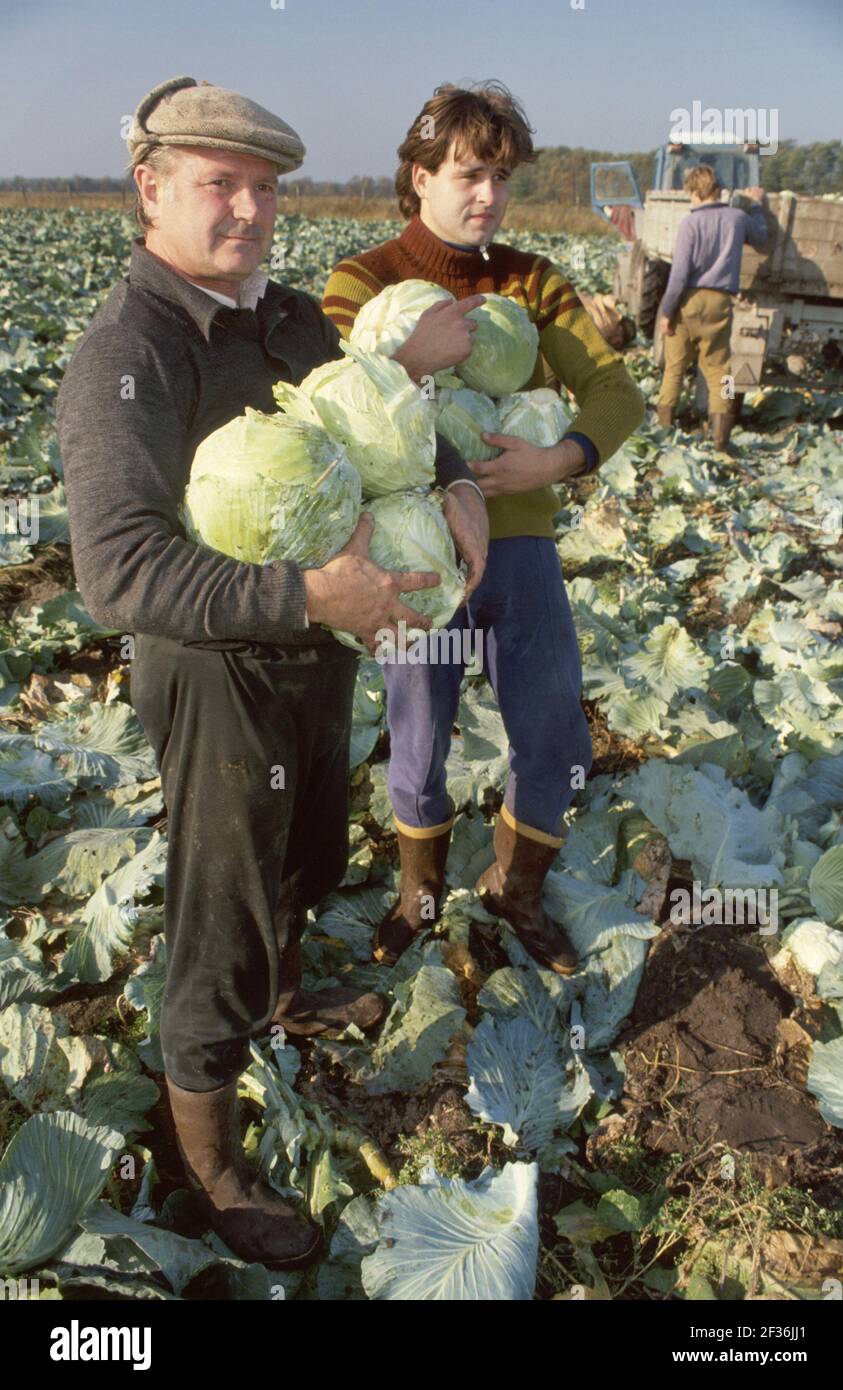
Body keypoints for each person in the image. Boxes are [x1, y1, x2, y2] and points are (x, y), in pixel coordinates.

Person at [55, 75, 486, 1270]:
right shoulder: (126, 355)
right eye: (217, 185)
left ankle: (283, 996)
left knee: (304, 854)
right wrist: (304, 594)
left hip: (313, 656)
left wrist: (450, 478)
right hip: (213, 675)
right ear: (151, 190)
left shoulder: (290, 318)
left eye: (263, 188)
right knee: (220, 907)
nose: (247, 209)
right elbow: (120, 573)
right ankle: (210, 1151)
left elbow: (380, 405)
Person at [322, 81, 645, 980]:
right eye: (469, 174)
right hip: (416, 552)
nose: (488, 197)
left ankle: (518, 891)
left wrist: (560, 460)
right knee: (417, 735)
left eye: (502, 178)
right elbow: (333, 408)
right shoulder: (363, 281)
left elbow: (617, 391)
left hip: (521, 546)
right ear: (418, 175)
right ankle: (417, 897)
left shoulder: (533, 280)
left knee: (553, 734)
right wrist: (400, 360)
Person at [656, 165, 768, 448]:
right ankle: (721, 440)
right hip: (721, 303)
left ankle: (664, 434)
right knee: (722, 372)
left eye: (690, 195)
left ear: (696, 192)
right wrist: (756, 207)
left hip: (689, 301)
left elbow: (679, 275)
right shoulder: (738, 218)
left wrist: (667, 313)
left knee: (674, 369)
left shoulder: (690, 223)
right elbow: (762, 240)